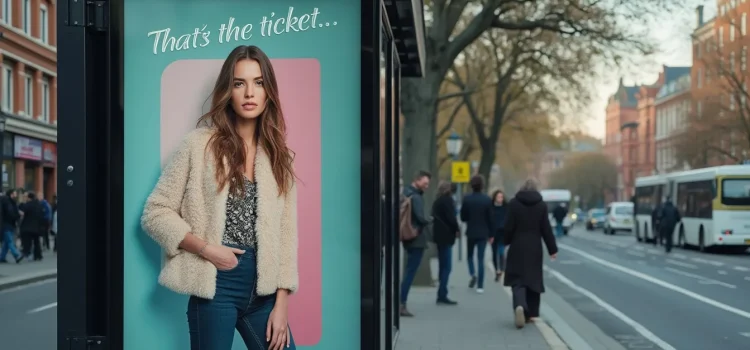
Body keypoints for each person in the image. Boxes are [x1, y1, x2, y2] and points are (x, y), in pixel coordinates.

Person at [141, 45, 298, 350]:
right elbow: (155, 212)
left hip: (265, 293)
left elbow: (285, 236)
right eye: (240, 83)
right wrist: (207, 249)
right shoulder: (199, 145)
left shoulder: (279, 157)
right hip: (216, 287)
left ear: (269, 92)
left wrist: (282, 305)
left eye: (259, 82)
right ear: (229, 90)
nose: (250, 93)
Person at [503, 179, 558, 329]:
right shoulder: (541, 205)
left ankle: (520, 305)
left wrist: (505, 241)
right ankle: (530, 314)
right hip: (534, 247)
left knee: (517, 279)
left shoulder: (514, 204)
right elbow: (546, 229)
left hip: (517, 245)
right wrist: (552, 249)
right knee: (533, 279)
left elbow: (508, 226)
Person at [399, 170, 432, 317]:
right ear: (417, 180)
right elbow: (420, 217)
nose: (426, 186)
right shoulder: (416, 197)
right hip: (416, 238)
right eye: (425, 183)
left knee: (408, 270)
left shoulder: (405, 192)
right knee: (410, 272)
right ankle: (401, 303)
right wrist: (429, 220)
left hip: (406, 236)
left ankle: (400, 301)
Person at [460, 174, 493, 294]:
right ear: (482, 185)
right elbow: (491, 218)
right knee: (481, 258)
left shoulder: (467, 199)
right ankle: (480, 286)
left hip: (471, 232)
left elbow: (463, 217)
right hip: (483, 233)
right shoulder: (487, 200)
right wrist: (491, 234)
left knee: (469, 256)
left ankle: (472, 273)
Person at [431, 181, 460, 305]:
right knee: (447, 267)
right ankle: (442, 293)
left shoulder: (437, 201)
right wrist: (457, 229)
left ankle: (441, 292)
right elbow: (451, 218)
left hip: (438, 236)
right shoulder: (447, 201)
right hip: (446, 236)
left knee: (442, 265)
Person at [19, 192, 46, 261]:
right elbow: (42, 215)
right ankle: (38, 255)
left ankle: (26, 252)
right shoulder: (39, 205)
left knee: (27, 241)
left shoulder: (27, 205)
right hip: (37, 226)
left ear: (28, 198)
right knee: (37, 242)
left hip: (27, 226)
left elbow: (22, 212)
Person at [490, 189, 508, 282]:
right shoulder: (491, 207)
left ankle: (502, 269)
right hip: (493, 234)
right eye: (498, 197)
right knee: (494, 253)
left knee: (501, 252)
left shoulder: (506, 207)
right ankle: (497, 270)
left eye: (501, 197)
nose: (500, 198)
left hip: (503, 233)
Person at [0, 189, 22, 263]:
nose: (16, 194)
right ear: (11, 194)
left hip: (9, 224)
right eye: (15, 193)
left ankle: (2, 257)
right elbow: (10, 213)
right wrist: (18, 215)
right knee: (10, 241)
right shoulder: (8, 202)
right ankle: (17, 255)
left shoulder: (10, 202)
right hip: (7, 224)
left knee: (6, 243)